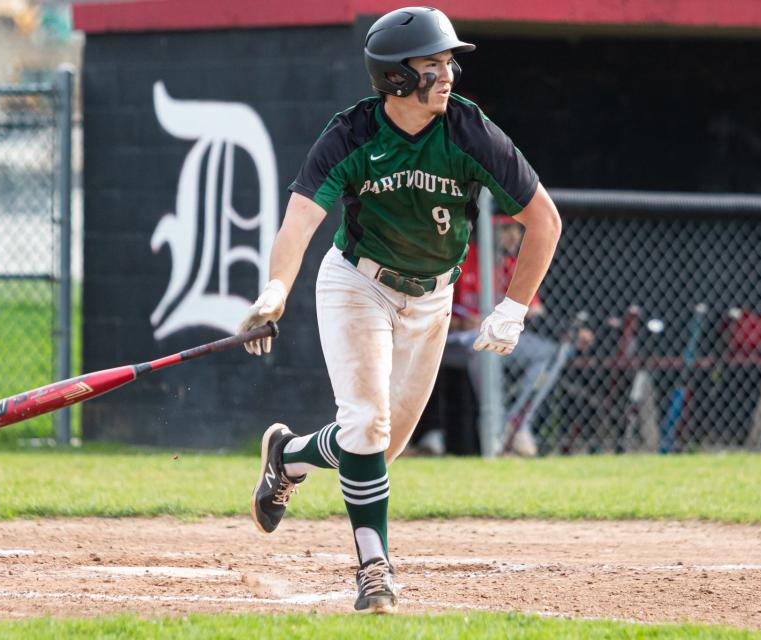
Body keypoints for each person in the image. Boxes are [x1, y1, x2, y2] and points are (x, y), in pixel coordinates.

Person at [236, 6, 561, 613]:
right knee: (366, 424)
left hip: (432, 299)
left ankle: (289, 456)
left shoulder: (468, 131)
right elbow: (301, 218)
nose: (448, 74)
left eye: (448, 62)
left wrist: (512, 308)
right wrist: (274, 291)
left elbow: (543, 220)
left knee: (378, 447)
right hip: (359, 285)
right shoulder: (352, 134)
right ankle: (374, 570)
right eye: (432, 64)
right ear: (395, 78)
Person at [440, 216, 594, 456]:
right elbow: (433, 311)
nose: (514, 236)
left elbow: (536, 314)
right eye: (505, 229)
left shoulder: (513, 265)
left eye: (517, 228)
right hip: (453, 342)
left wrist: (570, 331)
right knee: (480, 347)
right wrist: (460, 322)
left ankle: (516, 424)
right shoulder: (463, 258)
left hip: (494, 340)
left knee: (553, 352)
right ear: (489, 231)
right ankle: (496, 429)